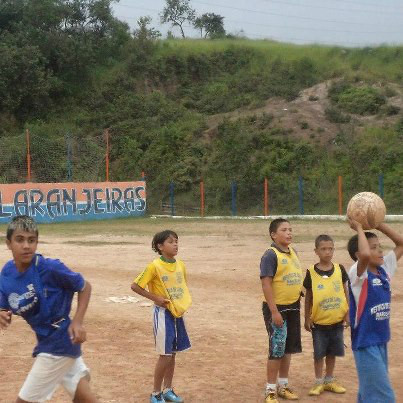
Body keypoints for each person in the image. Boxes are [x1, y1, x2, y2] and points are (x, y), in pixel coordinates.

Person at [0, 215, 97, 403]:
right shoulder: (6, 274)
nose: (26, 246)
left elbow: (85, 286)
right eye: (19, 240)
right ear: (8, 243)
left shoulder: (49, 268)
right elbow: (3, 305)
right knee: (85, 399)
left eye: (31, 240)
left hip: (59, 340)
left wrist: (77, 321)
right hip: (48, 339)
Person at [131, 230, 191, 403]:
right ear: (160, 246)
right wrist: (155, 298)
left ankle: (168, 390)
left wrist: (182, 305)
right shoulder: (154, 266)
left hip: (177, 314)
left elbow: (182, 287)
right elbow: (135, 286)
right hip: (163, 314)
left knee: (172, 354)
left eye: (177, 241)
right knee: (164, 355)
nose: (175, 244)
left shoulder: (181, 265)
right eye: (171, 242)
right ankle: (155, 393)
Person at [347, 220, 403, 403]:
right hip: (366, 343)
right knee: (383, 397)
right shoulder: (357, 274)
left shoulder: (383, 270)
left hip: (380, 340)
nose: (380, 251)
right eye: (374, 247)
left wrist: (378, 224)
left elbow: (401, 243)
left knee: (369, 393)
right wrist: (360, 228)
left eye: (380, 246)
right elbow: (363, 255)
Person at [260, 218, 303, 403]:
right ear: (273, 234)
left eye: (290, 229)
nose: (289, 233)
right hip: (278, 309)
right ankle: (270, 390)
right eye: (284, 230)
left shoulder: (293, 251)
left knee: (288, 348)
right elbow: (266, 283)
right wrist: (274, 311)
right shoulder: (270, 255)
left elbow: (291, 275)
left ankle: (283, 385)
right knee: (277, 348)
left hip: (293, 306)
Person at [303, 234, 349, 396]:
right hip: (319, 323)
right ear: (316, 251)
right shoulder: (311, 272)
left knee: (332, 351)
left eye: (330, 249)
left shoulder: (340, 269)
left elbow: (345, 290)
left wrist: (348, 312)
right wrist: (306, 318)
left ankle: (329, 380)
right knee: (319, 352)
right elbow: (308, 296)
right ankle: (318, 382)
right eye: (323, 249)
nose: (327, 252)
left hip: (337, 320)